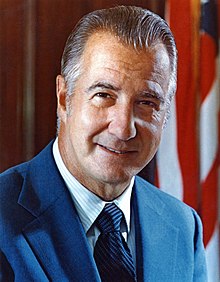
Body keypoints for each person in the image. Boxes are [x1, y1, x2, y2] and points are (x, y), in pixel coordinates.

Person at [0, 5, 207, 282]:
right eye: (104, 95)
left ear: (166, 112)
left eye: (146, 103)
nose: (123, 128)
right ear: (65, 99)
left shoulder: (183, 226)